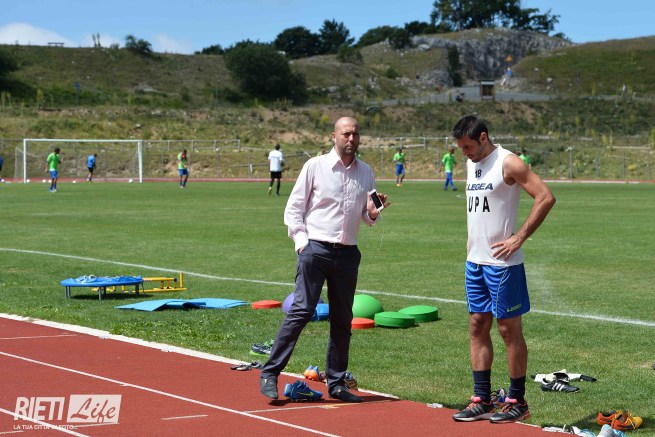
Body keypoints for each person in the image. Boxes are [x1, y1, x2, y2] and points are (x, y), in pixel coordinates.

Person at [259, 116, 389, 403]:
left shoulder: (366, 172)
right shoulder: (315, 166)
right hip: (315, 249)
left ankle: (337, 383)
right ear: (334, 136)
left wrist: (373, 213)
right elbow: (294, 208)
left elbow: (367, 216)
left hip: (348, 253)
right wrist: (302, 243)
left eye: (355, 134)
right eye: (346, 134)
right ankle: (270, 372)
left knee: (343, 319)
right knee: (302, 310)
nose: (351, 139)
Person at [450, 115, 555, 424]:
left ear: (483, 137)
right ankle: (481, 399)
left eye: (468, 146)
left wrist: (519, 237)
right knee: (477, 325)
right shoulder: (471, 163)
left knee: (508, 330)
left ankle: (517, 401)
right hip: (475, 262)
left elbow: (545, 197)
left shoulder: (509, 163)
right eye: (461, 148)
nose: (465, 153)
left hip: (503, 265)